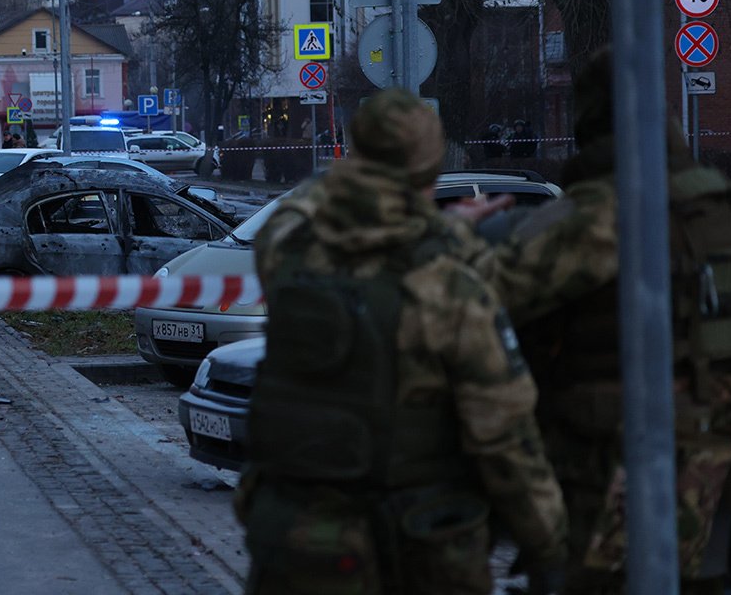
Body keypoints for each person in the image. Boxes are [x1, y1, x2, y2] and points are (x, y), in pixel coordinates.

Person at [239, 89, 567, 594]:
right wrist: (550, 549)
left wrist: (355, 175)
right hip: (413, 555)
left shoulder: (291, 257)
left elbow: (295, 214)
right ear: (429, 170)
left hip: (296, 549)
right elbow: (506, 442)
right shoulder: (447, 287)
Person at [465, 47, 731, 594]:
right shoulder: (722, 205)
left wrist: (455, 238)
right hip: (719, 472)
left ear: (587, 119)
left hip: (617, 480)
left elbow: (471, 304)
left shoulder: (595, 214)